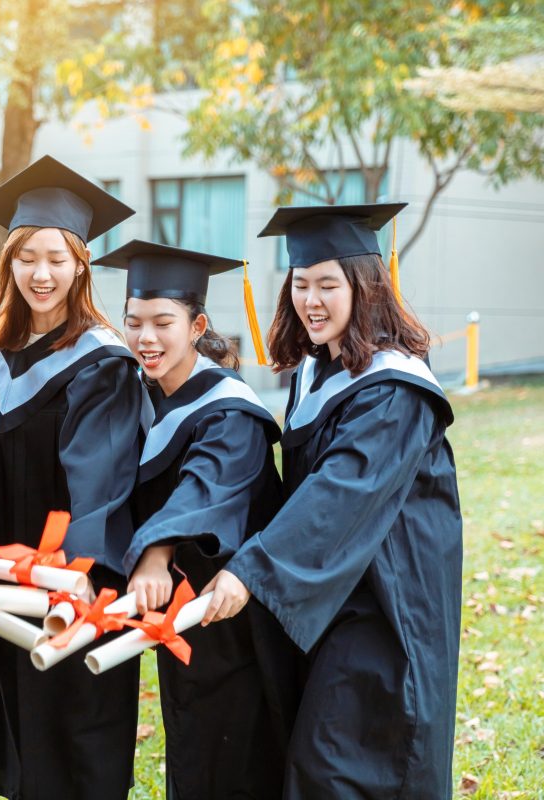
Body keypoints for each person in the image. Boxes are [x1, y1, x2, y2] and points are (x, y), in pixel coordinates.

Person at [206, 203, 463, 799]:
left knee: (344, 765)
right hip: (332, 594)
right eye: (300, 284)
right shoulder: (316, 371)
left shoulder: (395, 387)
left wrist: (253, 570)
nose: (310, 300)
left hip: (390, 608)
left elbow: (342, 488)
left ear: (366, 287)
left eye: (328, 284)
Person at [0, 156, 142, 800]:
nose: (42, 274)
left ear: (81, 265)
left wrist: (73, 570)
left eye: (58, 258)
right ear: (7, 262)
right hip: (6, 573)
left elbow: (103, 475)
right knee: (21, 733)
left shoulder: (103, 359)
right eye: (27, 257)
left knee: (80, 731)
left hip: (80, 573)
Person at [94, 239, 300, 799]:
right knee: (193, 741)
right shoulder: (146, 394)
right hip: (185, 613)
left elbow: (204, 487)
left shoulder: (229, 410)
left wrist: (155, 551)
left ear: (197, 324)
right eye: (134, 322)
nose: (145, 338)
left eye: (163, 322)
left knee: (234, 751)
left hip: (238, 616)